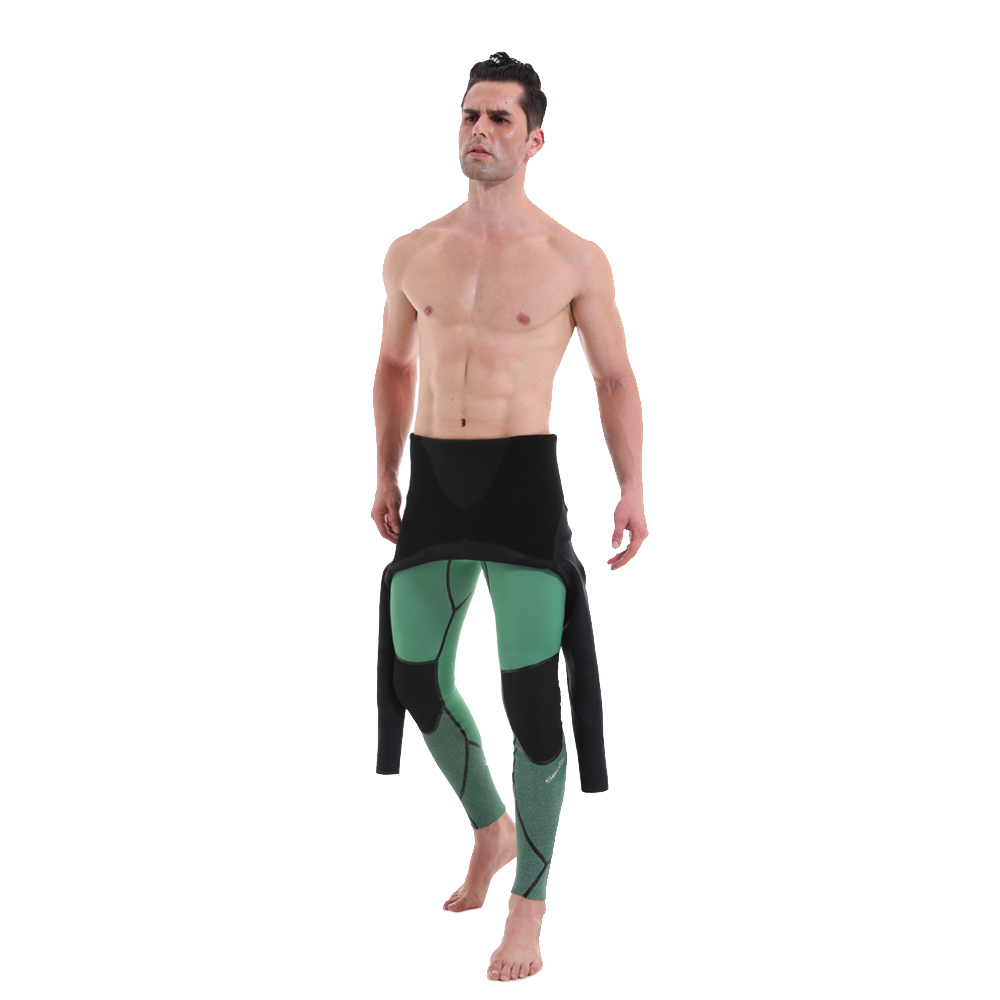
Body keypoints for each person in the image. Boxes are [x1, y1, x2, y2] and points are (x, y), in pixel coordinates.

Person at [371, 51, 647, 983]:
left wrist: (632, 487)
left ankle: (529, 905)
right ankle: (489, 827)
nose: (479, 131)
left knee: (533, 702)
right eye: (469, 116)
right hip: (434, 480)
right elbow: (394, 366)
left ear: (535, 140)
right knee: (415, 679)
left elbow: (613, 378)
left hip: (523, 483)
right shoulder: (412, 250)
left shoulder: (573, 259)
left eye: (499, 119)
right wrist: (384, 471)